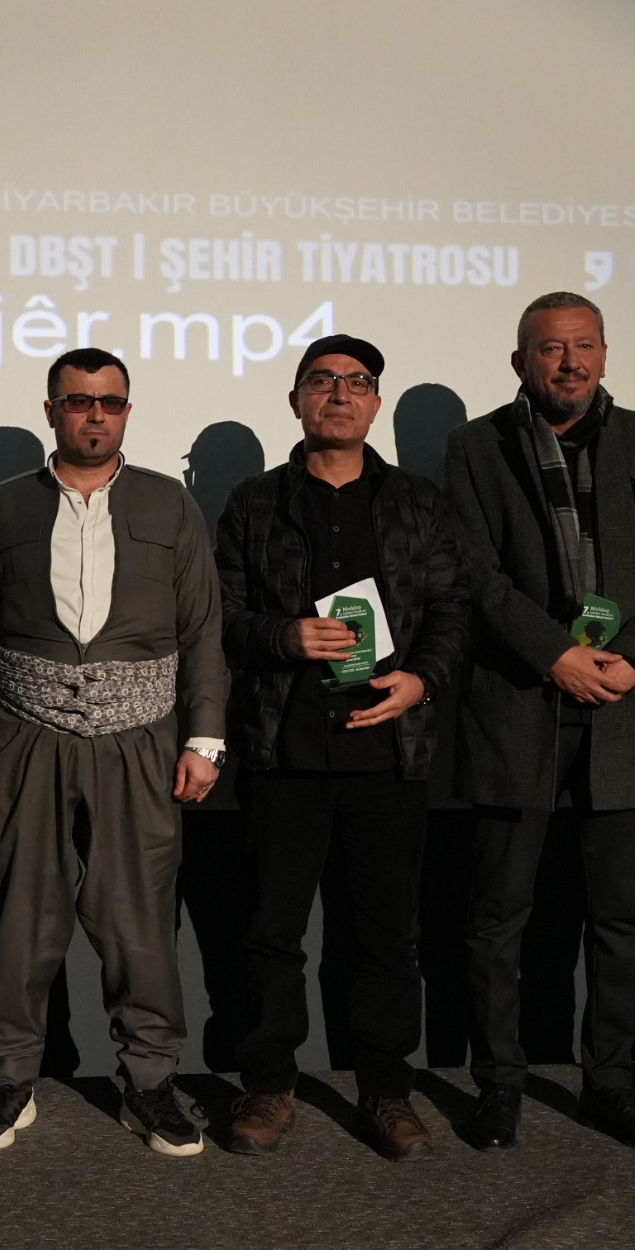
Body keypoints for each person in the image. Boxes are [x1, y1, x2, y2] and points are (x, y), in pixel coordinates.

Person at [0, 349, 227, 1157]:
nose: (95, 414)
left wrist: (205, 737)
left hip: (142, 741)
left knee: (139, 922)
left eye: (109, 401)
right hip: (24, 736)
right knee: (19, 918)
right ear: (52, 411)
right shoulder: (4, 507)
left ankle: (150, 1083)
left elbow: (202, 628)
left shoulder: (170, 504)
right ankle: (7, 1078)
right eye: (78, 401)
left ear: (127, 411)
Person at [442, 293, 635, 1154]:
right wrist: (555, 654)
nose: (570, 362)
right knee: (497, 919)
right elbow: (475, 573)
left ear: (606, 355)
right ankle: (499, 1086)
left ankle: (610, 1086)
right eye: (551, 348)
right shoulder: (475, 447)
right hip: (520, 705)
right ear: (521, 362)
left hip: (627, 708)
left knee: (620, 920)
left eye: (584, 345)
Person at [208, 334, 468, 1160]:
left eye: (357, 382)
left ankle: (386, 1090)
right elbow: (220, 615)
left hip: (388, 749)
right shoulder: (254, 501)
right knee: (271, 934)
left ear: (376, 403)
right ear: (296, 400)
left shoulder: (419, 501)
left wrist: (421, 680)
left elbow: (451, 609)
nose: (340, 394)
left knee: (387, 938)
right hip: (283, 748)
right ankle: (268, 1085)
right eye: (321, 381)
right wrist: (283, 636)